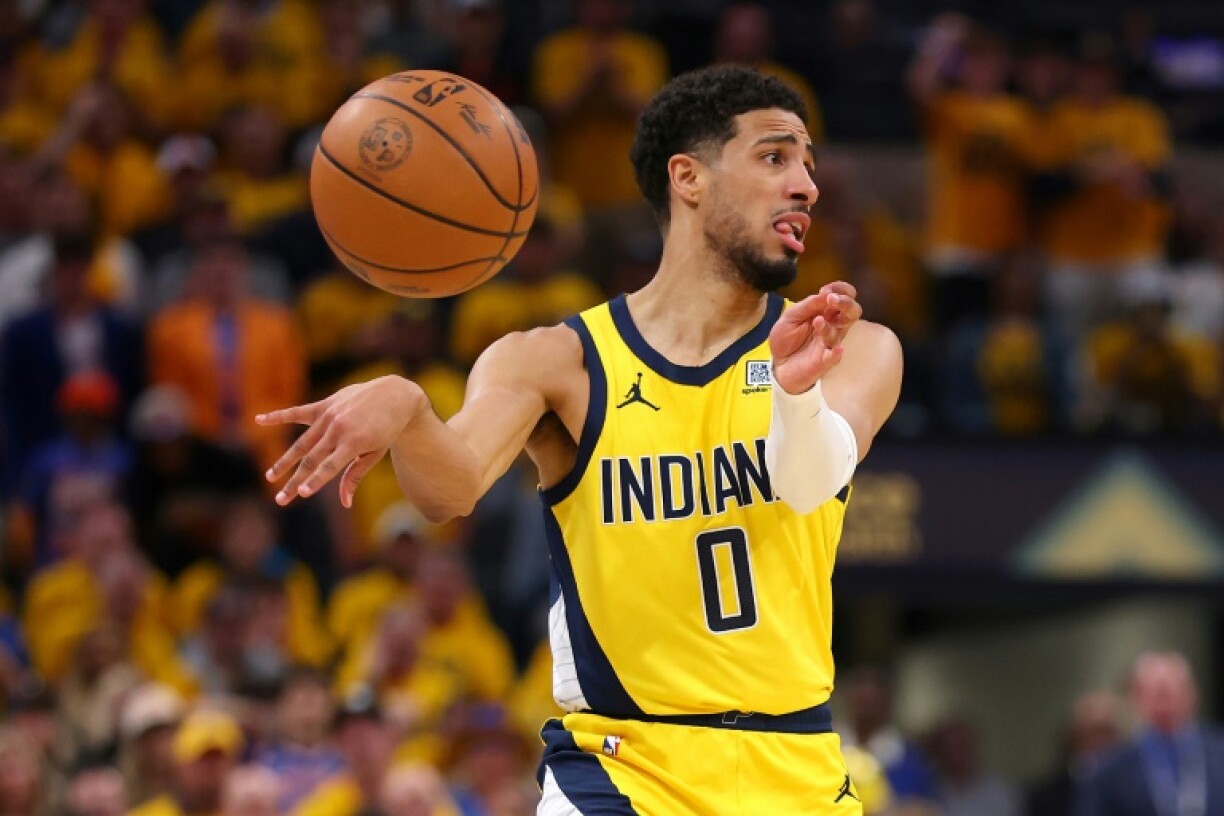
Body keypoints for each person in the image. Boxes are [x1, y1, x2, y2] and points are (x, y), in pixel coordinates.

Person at [259, 64, 903, 814]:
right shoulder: (554, 362)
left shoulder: (853, 347)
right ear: (687, 179)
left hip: (795, 766)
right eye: (774, 156)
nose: (807, 186)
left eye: (807, 164)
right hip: (622, 766)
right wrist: (406, 406)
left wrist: (792, 397)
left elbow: (807, 483)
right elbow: (447, 491)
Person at [1076, 651, 1224, 816]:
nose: (1165, 702)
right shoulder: (1108, 770)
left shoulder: (1219, 750)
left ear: (1193, 693)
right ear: (1135, 697)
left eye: (1172, 691)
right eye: (1157, 693)